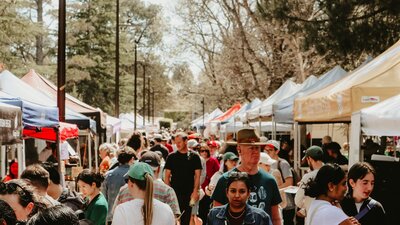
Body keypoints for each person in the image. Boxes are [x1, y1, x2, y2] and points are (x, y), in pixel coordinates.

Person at [212, 128, 282, 225]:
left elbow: (276, 218)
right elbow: (216, 217)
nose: (255, 152)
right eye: (251, 148)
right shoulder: (225, 179)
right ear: (239, 149)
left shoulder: (269, 180)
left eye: (257, 148)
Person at [114, 151, 181, 218]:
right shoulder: (167, 191)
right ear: (159, 169)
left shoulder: (124, 190)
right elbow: (175, 218)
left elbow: (115, 216)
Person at [164, 132, 202, 225]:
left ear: (186, 141)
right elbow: (167, 176)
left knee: (186, 218)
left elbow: (197, 175)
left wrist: (195, 191)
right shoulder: (171, 157)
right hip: (175, 192)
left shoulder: (194, 157)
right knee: (174, 218)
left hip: (189, 192)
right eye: (176, 142)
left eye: (179, 142)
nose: (177, 144)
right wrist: (168, 192)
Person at [208, 171, 272, 225]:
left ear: (248, 193)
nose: (237, 195)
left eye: (242, 191)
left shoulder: (260, 217)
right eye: (233, 191)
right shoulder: (214, 214)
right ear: (227, 192)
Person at [102, 146, 136, 224]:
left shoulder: (108, 175)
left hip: (112, 216)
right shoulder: (135, 174)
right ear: (131, 159)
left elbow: (104, 198)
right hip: (131, 217)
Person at [265, 140, 294, 225]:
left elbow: (289, 182)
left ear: (277, 151)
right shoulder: (264, 163)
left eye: (270, 150)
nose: (267, 152)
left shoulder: (283, 163)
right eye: (266, 150)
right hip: (273, 203)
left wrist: (273, 190)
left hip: (286, 204)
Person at [198, 144, 220, 224]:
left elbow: (218, 173)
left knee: (208, 208)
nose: (204, 153)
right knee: (200, 209)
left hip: (210, 188)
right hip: (200, 188)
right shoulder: (198, 160)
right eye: (201, 151)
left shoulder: (213, 161)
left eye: (205, 151)